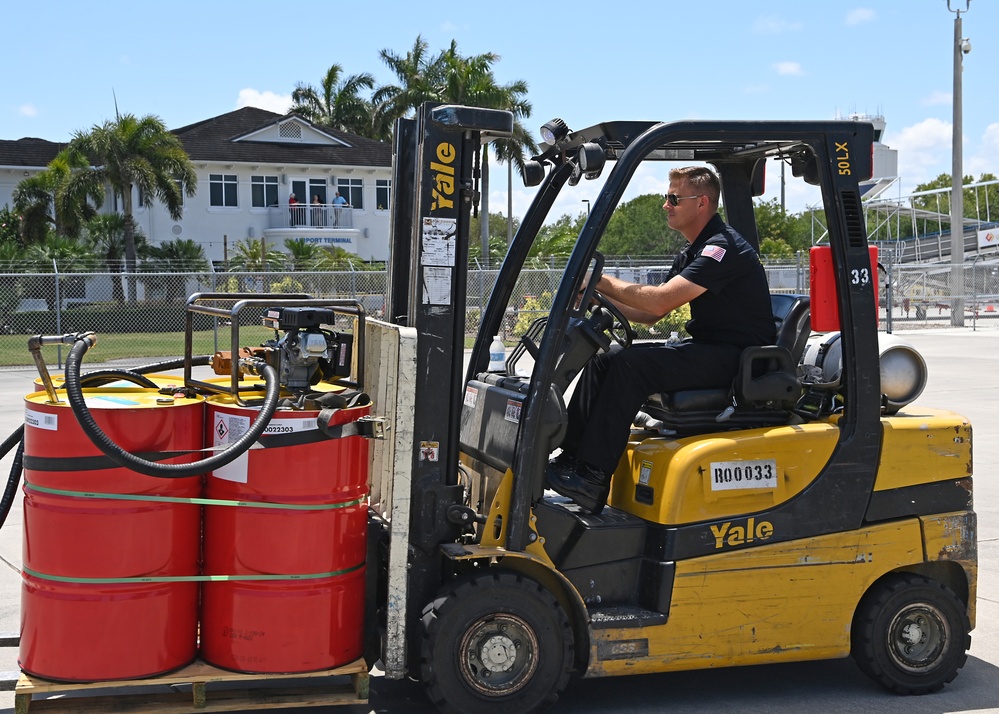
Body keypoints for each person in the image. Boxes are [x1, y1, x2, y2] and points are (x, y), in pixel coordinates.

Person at [546, 166, 776, 515]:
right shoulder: (694, 251)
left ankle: (592, 477)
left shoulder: (722, 248)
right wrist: (597, 298)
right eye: (665, 198)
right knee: (606, 356)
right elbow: (652, 314)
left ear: (701, 203)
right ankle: (572, 460)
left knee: (631, 366)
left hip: (737, 357)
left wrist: (602, 281)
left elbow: (659, 300)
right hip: (711, 349)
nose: (665, 205)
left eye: (673, 198)